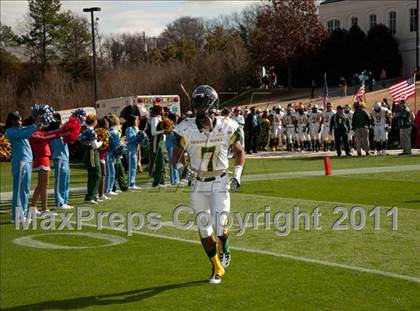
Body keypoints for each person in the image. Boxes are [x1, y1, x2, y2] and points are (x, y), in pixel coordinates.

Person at [172, 85, 245, 284]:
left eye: (202, 107)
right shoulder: (185, 128)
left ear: (213, 106)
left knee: (219, 227)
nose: (198, 111)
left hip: (220, 181)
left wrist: (237, 175)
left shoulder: (227, 126)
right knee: (205, 229)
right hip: (197, 183)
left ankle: (225, 244)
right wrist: (181, 167)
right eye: (196, 107)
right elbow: (175, 157)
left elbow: (239, 152)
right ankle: (216, 267)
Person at [29, 117, 69, 214]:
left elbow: (49, 134)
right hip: (41, 159)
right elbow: (48, 136)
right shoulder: (34, 134)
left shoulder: (39, 133)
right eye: (38, 123)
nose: (41, 124)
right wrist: (60, 131)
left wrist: (62, 131)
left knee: (40, 185)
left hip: (44, 159)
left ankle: (33, 207)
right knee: (44, 186)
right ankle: (44, 209)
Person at [5, 112, 38, 223]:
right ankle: (17, 216)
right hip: (20, 161)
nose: (20, 122)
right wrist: (36, 124)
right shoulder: (10, 131)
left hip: (26, 161)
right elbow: (26, 133)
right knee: (19, 189)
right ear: (13, 121)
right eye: (18, 120)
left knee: (25, 189)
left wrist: (35, 118)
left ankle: (22, 213)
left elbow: (27, 129)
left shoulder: (19, 129)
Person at [49, 113, 73, 209]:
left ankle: (64, 201)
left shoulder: (61, 133)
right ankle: (59, 202)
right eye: (60, 125)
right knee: (59, 181)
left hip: (65, 158)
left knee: (66, 180)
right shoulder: (54, 133)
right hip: (59, 158)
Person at [81, 114, 102, 204]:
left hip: (88, 152)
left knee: (92, 175)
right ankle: (91, 196)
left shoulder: (86, 130)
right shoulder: (91, 131)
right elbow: (94, 145)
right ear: (94, 121)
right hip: (92, 153)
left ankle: (90, 195)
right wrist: (101, 142)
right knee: (97, 174)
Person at [148, 103, 167, 187]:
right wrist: (163, 131)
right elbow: (153, 132)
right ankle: (156, 182)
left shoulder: (160, 119)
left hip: (161, 142)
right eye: (162, 109)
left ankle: (161, 181)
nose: (163, 110)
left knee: (162, 162)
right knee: (159, 163)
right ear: (159, 110)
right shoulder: (154, 119)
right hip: (156, 143)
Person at [125, 115, 141, 190]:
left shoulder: (135, 128)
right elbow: (129, 139)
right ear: (132, 121)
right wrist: (137, 137)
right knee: (131, 167)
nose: (136, 121)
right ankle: (130, 184)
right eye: (135, 120)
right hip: (130, 150)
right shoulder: (129, 129)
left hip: (134, 150)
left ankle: (132, 183)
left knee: (134, 167)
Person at [165, 112, 180, 185]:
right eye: (176, 117)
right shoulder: (169, 126)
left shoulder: (175, 125)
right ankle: (173, 180)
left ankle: (177, 179)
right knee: (172, 163)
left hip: (175, 145)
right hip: (170, 145)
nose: (177, 118)